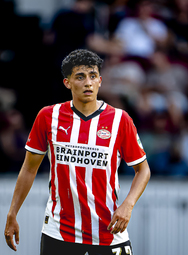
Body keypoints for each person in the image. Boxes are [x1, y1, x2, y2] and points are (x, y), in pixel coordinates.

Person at [4, 49, 151, 255]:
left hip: (108, 232)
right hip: (59, 231)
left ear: (100, 81)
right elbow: (29, 169)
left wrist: (128, 204)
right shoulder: (48, 116)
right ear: (67, 83)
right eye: (80, 77)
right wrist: (12, 213)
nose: (88, 83)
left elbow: (143, 170)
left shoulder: (120, 120)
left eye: (92, 76)